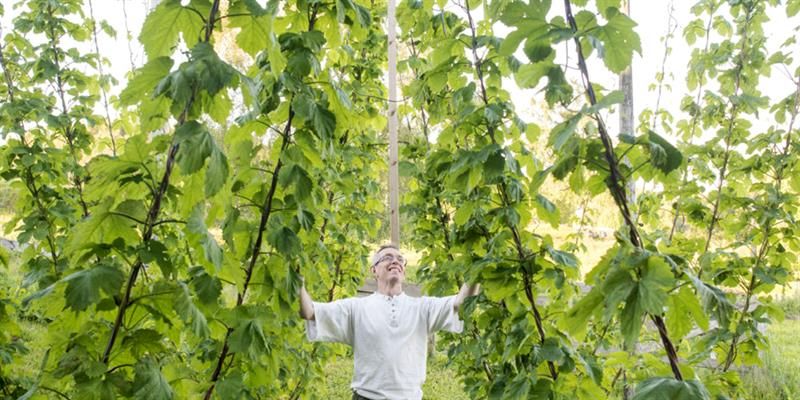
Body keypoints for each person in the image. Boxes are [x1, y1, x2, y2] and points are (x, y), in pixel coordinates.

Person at [299, 244, 480, 400]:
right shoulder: (356, 308)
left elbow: (462, 303)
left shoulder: (422, 308)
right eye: (387, 257)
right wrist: (297, 281)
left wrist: (477, 270)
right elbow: (309, 312)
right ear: (374, 270)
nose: (396, 261)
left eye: (400, 259)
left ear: (403, 271)